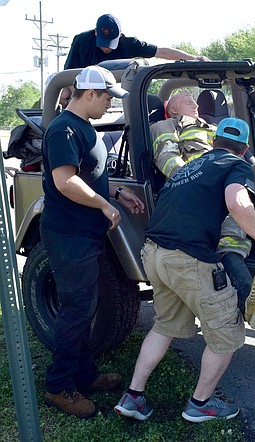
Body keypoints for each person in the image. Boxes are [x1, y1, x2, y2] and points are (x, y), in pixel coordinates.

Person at [114, 117, 255, 422]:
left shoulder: (192, 166)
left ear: (214, 141)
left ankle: (133, 397)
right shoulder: (235, 165)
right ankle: (201, 404)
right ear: (245, 148)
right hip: (188, 259)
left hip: (154, 254)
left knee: (164, 325)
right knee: (226, 335)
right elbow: (237, 203)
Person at [40, 65, 145, 419]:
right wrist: (103, 204)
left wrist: (116, 191)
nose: (109, 106)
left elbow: (90, 176)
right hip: (69, 235)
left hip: (84, 234)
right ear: (89, 94)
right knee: (76, 311)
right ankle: (58, 386)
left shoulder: (83, 127)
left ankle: (84, 375)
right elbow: (65, 181)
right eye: (106, 99)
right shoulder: (64, 129)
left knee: (85, 307)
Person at [151, 92, 255, 329]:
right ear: (174, 109)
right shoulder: (165, 126)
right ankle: (248, 297)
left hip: (233, 175)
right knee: (230, 233)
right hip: (203, 185)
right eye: (188, 101)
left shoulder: (217, 128)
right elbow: (169, 162)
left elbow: (246, 159)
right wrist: (202, 182)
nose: (196, 104)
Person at [64, 14, 208, 69]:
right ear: (96, 32)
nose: (107, 49)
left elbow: (161, 52)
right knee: (64, 94)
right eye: (103, 43)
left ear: (120, 35)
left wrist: (193, 58)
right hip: (83, 90)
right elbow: (67, 75)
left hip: (113, 89)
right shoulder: (81, 41)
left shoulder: (130, 44)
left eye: (111, 43)